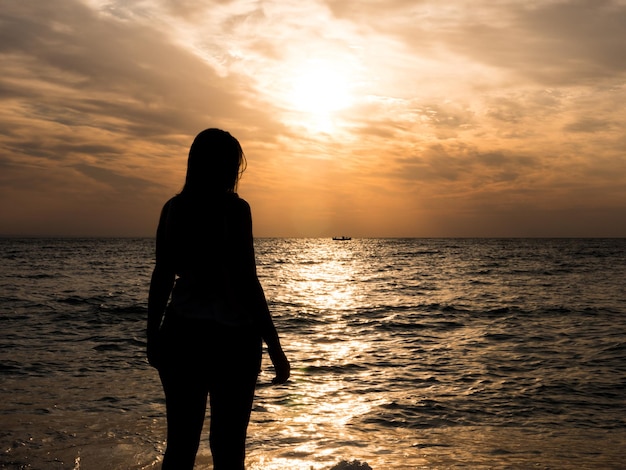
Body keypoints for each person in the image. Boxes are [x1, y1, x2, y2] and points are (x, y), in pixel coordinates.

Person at [146, 128, 290, 469]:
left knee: (180, 446)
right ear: (226, 167)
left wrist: (152, 335)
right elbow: (246, 281)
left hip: (181, 334)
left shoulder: (174, 209)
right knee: (228, 450)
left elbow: (162, 277)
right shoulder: (235, 210)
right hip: (233, 340)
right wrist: (274, 345)